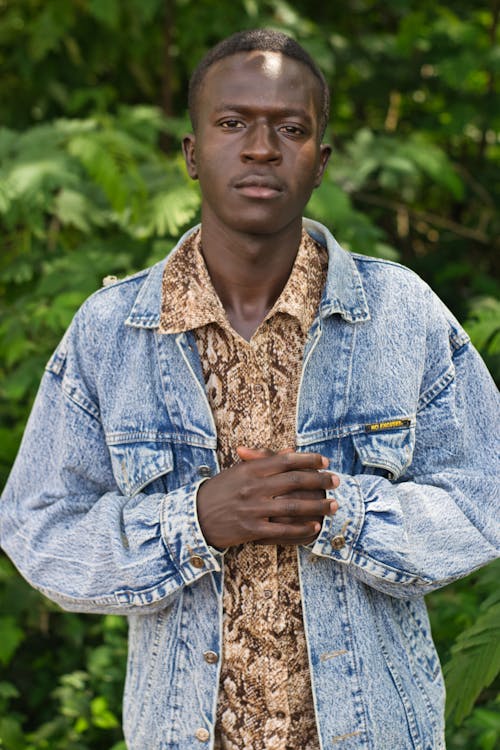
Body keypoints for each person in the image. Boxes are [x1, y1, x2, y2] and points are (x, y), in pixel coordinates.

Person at [1, 28, 499, 750]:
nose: (262, 147)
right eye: (233, 123)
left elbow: (486, 491)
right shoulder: (110, 334)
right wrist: (193, 522)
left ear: (319, 161)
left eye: (290, 128)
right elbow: (38, 527)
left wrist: (343, 513)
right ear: (193, 153)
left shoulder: (401, 313)